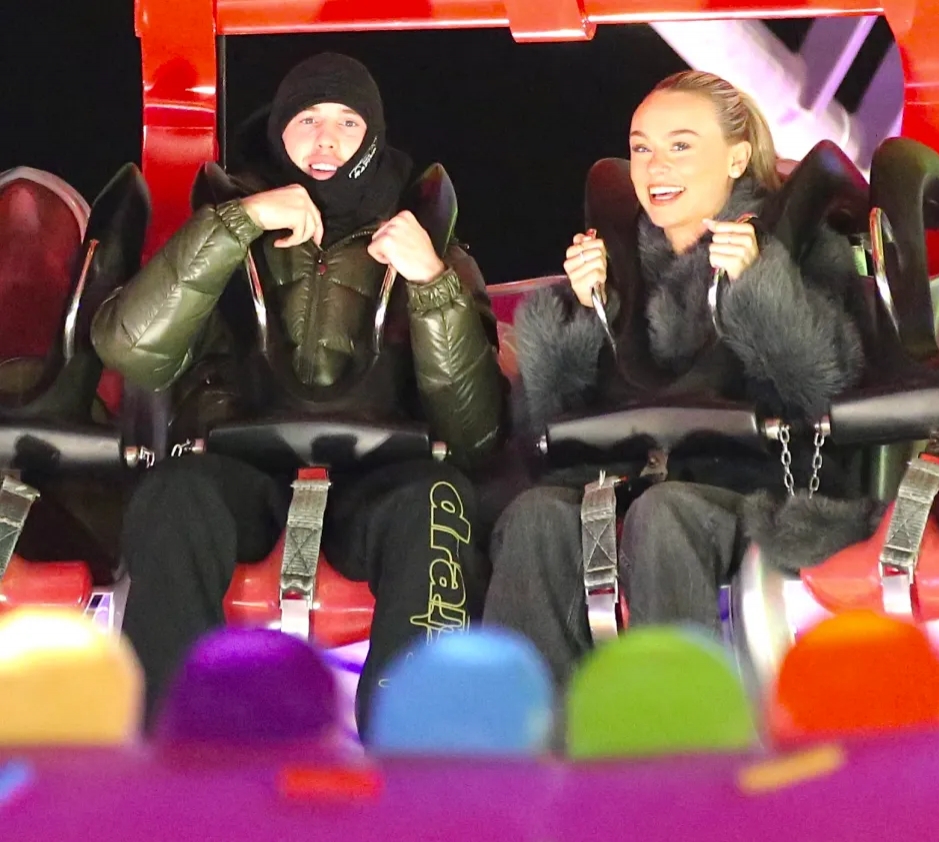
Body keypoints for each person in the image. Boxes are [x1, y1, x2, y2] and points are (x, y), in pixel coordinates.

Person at [91, 53, 505, 734]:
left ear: (373, 135)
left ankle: (417, 742)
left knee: (440, 502)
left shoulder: (428, 238)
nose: (326, 140)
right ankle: (172, 748)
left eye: (347, 122)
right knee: (171, 498)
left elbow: (476, 435)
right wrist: (239, 222)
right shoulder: (227, 218)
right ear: (279, 129)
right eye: (308, 120)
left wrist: (432, 284)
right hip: (237, 462)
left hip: (382, 473)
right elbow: (128, 347)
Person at [483, 70, 886, 687]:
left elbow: (824, 387)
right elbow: (545, 428)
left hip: (761, 482)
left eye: (680, 145)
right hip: (626, 478)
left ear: (736, 158)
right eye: (642, 147)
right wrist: (581, 313)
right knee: (535, 514)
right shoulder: (618, 262)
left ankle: (679, 725)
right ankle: (524, 727)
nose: (656, 166)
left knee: (664, 514)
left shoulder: (798, 244)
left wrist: (759, 284)